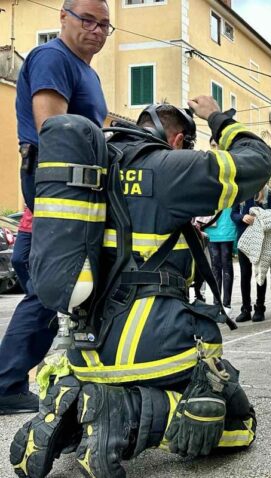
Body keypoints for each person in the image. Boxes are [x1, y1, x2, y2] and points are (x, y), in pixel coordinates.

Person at [10, 96, 271, 477]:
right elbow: (258, 161)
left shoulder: (92, 171)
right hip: (152, 349)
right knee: (235, 422)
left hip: (85, 355)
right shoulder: (170, 168)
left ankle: (71, 406)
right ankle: (119, 419)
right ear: (179, 140)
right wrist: (219, 117)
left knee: (103, 386)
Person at [0, 0, 111, 415]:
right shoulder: (53, 57)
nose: (97, 31)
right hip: (61, 180)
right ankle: (7, 382)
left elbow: (93, 131)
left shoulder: (87, 71)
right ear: (63, 17)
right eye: (88, 20)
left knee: (46, 280)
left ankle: (10, 380)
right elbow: (54, 128)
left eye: (105, 25)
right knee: (54, 284)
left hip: (64, 182)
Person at [231, 184, 271, 322]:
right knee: (245, 274)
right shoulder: (240, 192)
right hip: (243, 239)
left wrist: (260, 218)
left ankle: (260, 307)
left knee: (260, 272)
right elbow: (233, 214)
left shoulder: (268, 194)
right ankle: (245, 308)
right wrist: (242, 217)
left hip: (262, 239)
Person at [205, 208, 237, 313]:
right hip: (211, 226)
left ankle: (226, 304)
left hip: (227, 225)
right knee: (215, 266)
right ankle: (217, 304)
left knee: (226, 264)